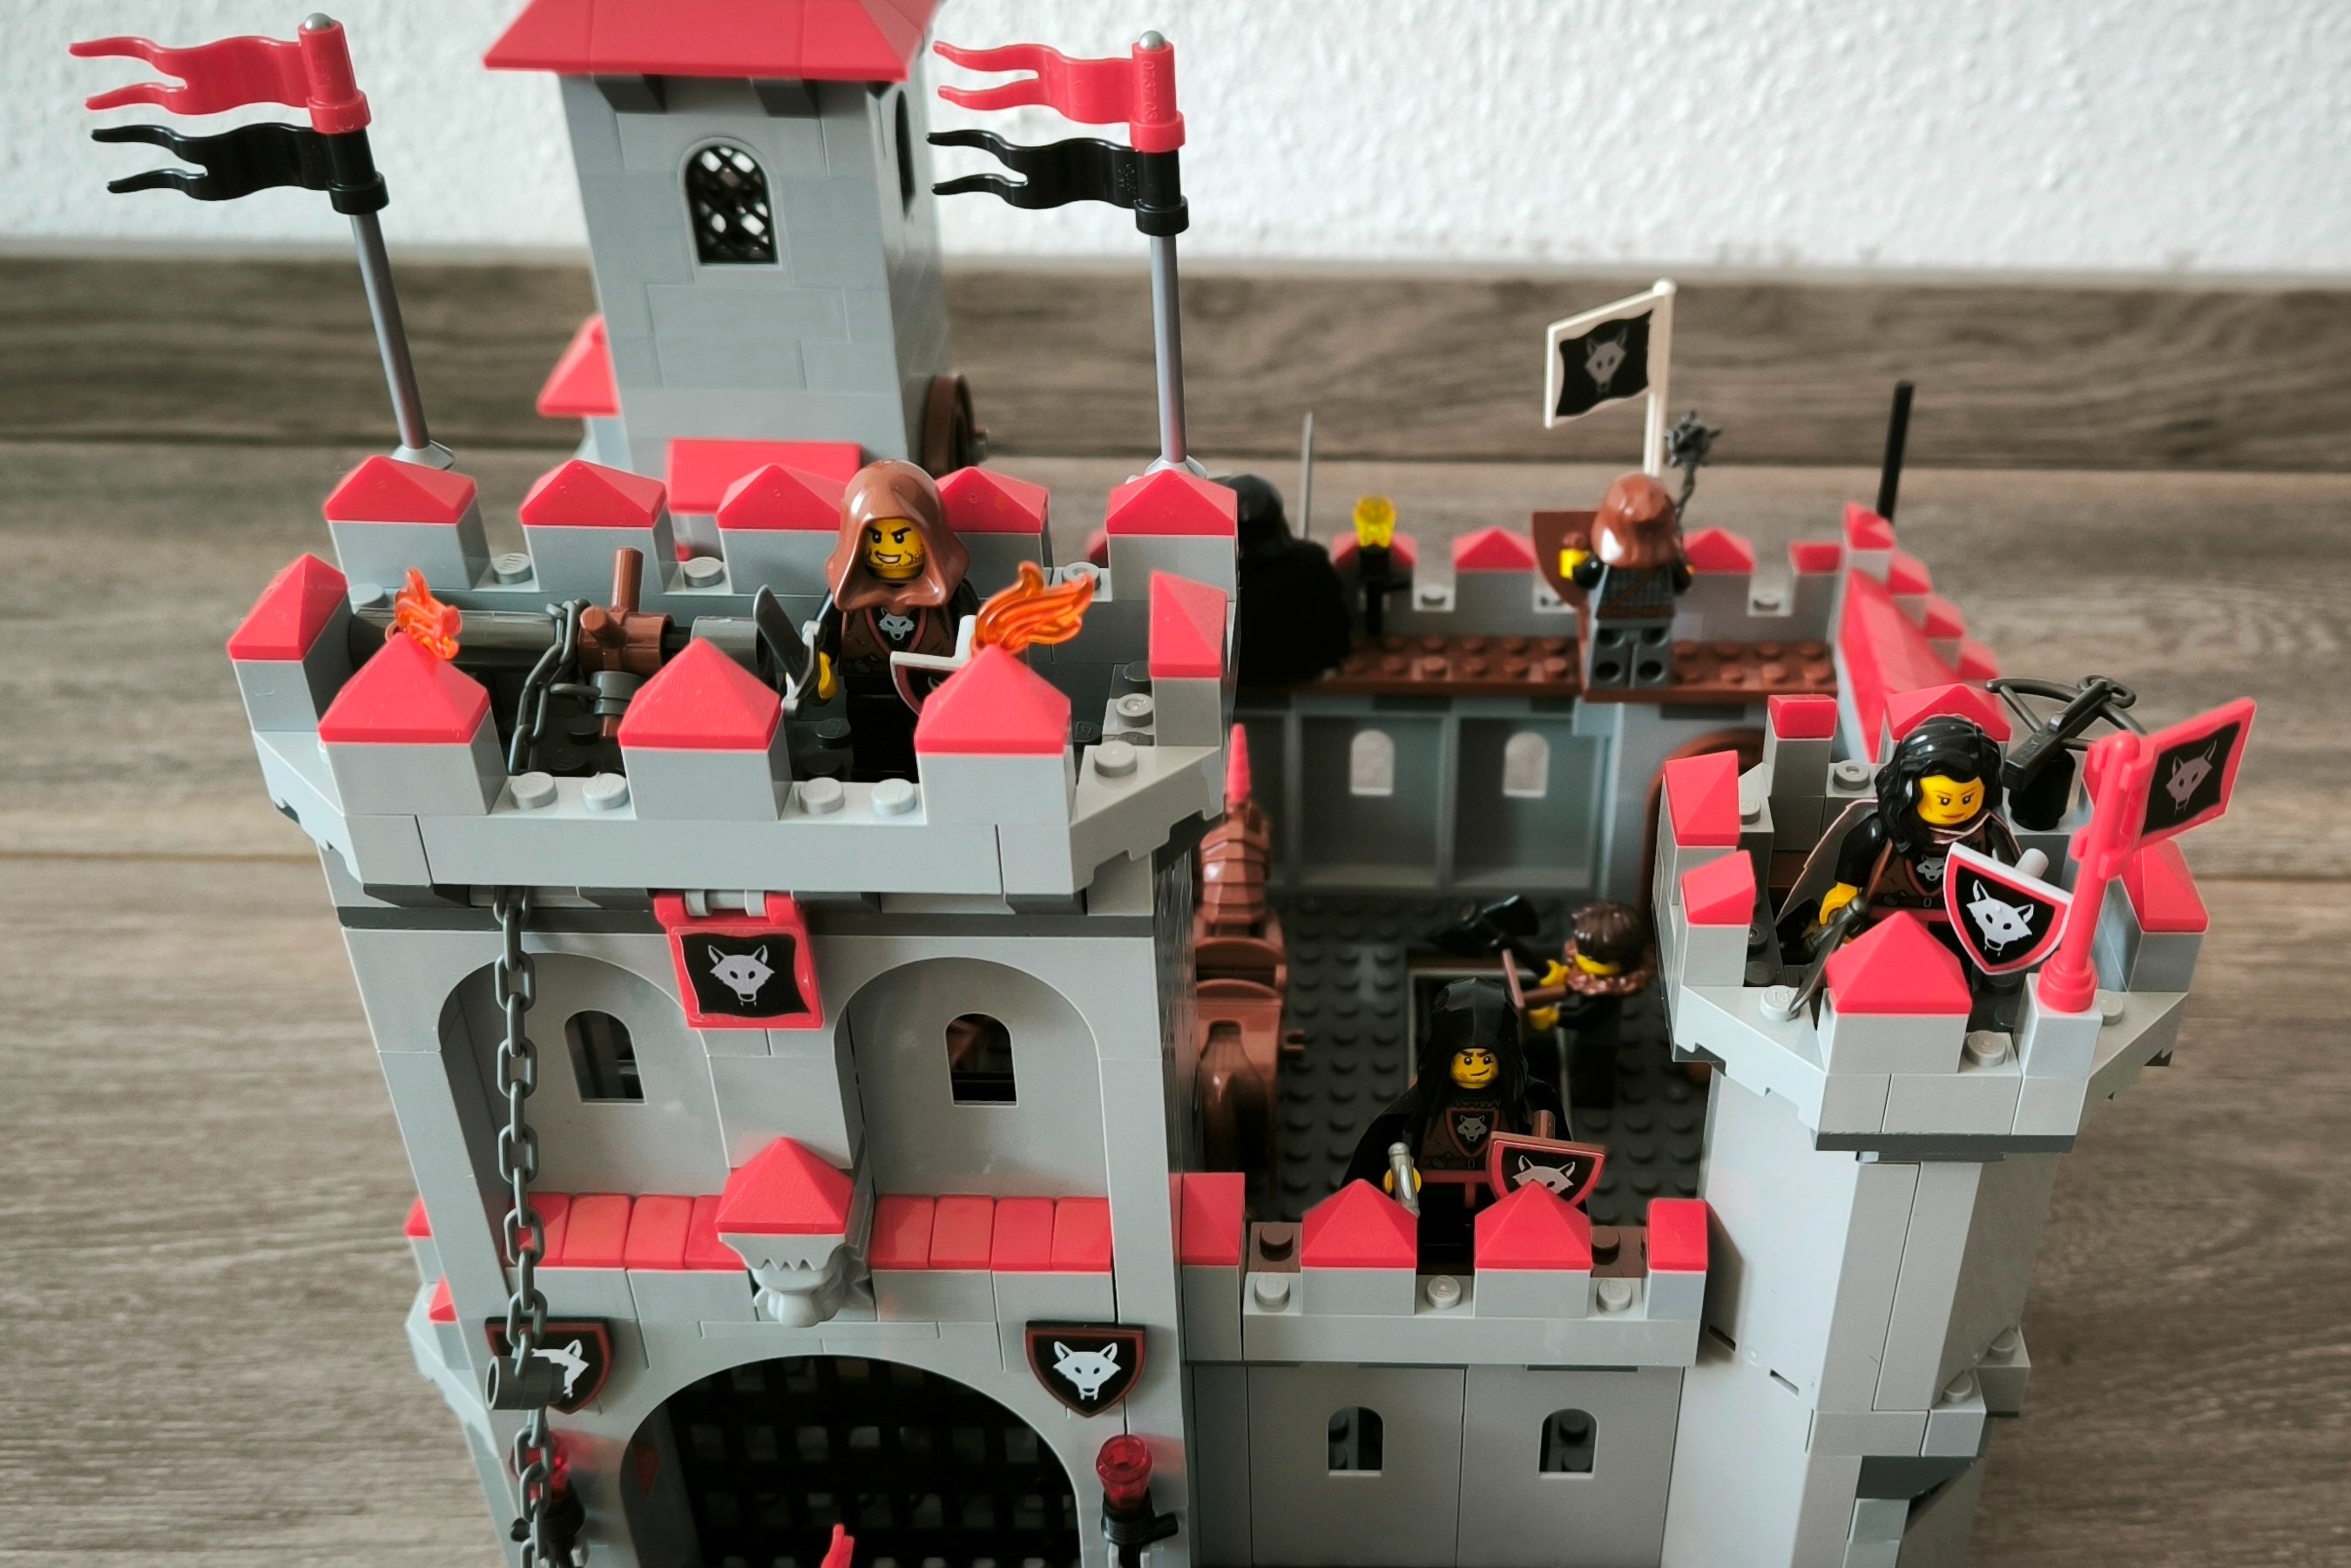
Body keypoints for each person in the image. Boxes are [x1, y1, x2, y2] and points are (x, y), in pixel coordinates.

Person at [1345, 977, 1564, 1262]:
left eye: (1486, 1059)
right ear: (1447, 1056)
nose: (1476, 1068)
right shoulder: (1421, 1106)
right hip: (1433, 1207)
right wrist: (1394, 1176)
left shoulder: (1528, 1102)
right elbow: (1384, 1150)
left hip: (1502, 1209)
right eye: (1467, 1059)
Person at [808, 460, 976, 781]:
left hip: (933, 691)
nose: (888, 551)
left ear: (928, 535)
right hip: (868, 686)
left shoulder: (953, 593)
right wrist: (818, 665)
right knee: (873, 739)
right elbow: (821, 636)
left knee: (932, 748)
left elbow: (974, 632)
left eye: (901, 538)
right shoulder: (846, 596)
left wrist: (972, 665)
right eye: (876, 538)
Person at [1816, 715, 2021, 945]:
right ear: (1909, 789)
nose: (1955, 809)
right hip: (1886, 917)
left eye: (1967, 799)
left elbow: (2011, 872)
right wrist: (1845, 893)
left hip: (1957, 921)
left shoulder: (1986, 830)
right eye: (1944, 800)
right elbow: (1855, 856)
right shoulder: (1888, 829)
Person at [1558, 471, 1692, 689]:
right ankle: (1648, 680)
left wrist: (1573, 555)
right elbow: (1682, 584)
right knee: (1652, 657)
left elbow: (1582, 579)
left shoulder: (1602, 562)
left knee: (1606, 659)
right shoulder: (1669, 563)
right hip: (1657, 614)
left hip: (1611, 614)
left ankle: (1607, 681)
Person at [1523, 900, 1657, 1117]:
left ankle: (1591, 1102)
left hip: (1599, 1042)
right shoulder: (1597, 980)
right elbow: (1579, 988)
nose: (1577, 956)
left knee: (1593, 1075)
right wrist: (1565, 976)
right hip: (1590, 1039)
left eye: (1587, 956)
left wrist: (1554, 1016)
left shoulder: (1606, 995)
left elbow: (1584, 1018)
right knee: (1580, 1062)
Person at [1226, 473, 1352, 686]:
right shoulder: (1312, 563)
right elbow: (1337, 639)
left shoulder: (1206, 578)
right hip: (1305, 678)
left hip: (1233, 686)